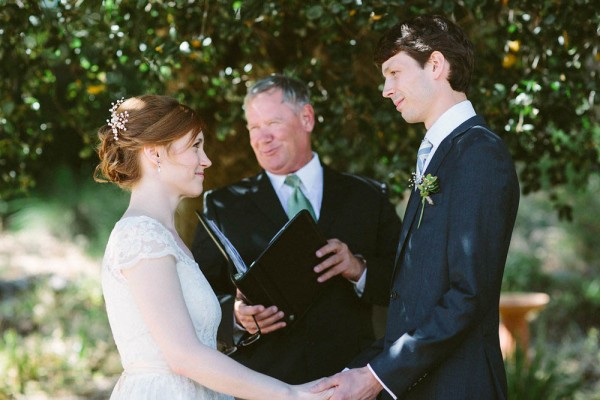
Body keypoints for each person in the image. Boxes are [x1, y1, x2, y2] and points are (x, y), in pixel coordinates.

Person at [313, 14, 520, 399]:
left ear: (436, 65)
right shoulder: (439, 153)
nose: (385, 89)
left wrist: (376, 376)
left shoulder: (479, 153)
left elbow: (467, 294)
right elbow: (419, 297)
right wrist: (353, 373)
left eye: (394, 72)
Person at [95, 94, 334, 400]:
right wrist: (289, 394)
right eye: (195, 146)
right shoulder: (140, 236)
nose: (206, 160)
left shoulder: (164, 235)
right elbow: (184, 356)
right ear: (154, 154)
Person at [191, 75, 402, 384]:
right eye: (254, 127)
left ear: (307, 118)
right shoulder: (223, 205)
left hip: (350, 380)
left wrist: (359, 269)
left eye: (273, 123)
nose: (262, 138)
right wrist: (236, 316)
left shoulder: (367, 196)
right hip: (264, 384)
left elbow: (407, 280)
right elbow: (198, 293)